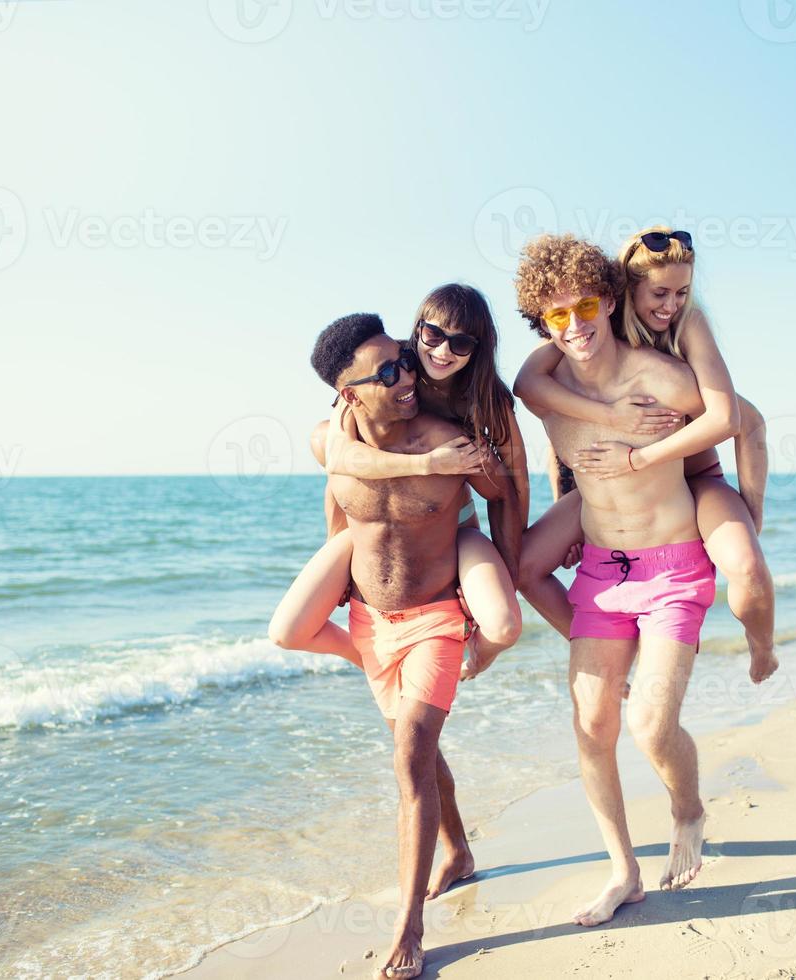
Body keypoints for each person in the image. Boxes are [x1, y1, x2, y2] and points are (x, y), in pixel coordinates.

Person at [302, 312, 521, 979]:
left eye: (404, 358)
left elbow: (502, 495)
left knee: (409, 756)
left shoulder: (448, 434)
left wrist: (489, 469)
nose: (408, 375)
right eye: (389, 370)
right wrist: (341, 588)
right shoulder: (335, 440)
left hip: (435, 616)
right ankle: (456, 851)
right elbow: (338, 503)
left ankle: (409, 927)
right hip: (374, 622)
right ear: (350, 394)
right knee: (418, 749)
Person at [514, 233, 713, 927]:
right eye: (557, 315)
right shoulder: (548, 393)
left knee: (651, 725)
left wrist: (745, 518)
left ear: (608, 298)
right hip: (601, 571)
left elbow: (736, 420)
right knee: (593, 723)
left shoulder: (660, 378)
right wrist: (567, 502)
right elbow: (544, 424)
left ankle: (688, 809)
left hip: (673, 569)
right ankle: (622, 871)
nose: (576, 325)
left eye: (587, 305)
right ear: (543, 323)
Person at [514, 227, 777, 684]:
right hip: (617, 481)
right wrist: (608, 422)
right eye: (659, 292)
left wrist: (752, 511)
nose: (670, 305)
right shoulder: (583, 326)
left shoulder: (688, 326)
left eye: (681, 292)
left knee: (748, 567)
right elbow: (541, 402)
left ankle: (762, 649)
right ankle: (605, 663)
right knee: (524, 566)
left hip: (695, 476)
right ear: (625, 291)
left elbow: (740, 420)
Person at [269, 283, 526, 681]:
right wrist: (429, 464)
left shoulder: (486, 396)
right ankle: (368, 654)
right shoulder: (389, 366)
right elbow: (340, 464)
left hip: (453, 510)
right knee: (286, 630)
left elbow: (513, 487)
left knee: (501, 620)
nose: (442, 352)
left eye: (461, 344)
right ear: (419, 328)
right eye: (434, 336)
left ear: (478, 348)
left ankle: (474, 650)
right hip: (412, 489)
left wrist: (510, 574)